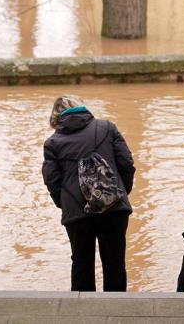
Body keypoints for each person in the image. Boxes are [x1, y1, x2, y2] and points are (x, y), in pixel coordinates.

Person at [42, 95, 135, 292]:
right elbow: (126, 163)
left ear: (56, 118)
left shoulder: (52, 143)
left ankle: (83, 314)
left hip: (77, 212)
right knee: (115, 263)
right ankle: (117, 314)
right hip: (114, 208)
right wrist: (119, 193)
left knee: (81, 265)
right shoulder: (107, 128)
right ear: (82, 108)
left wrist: (65, 203)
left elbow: (52, 181)